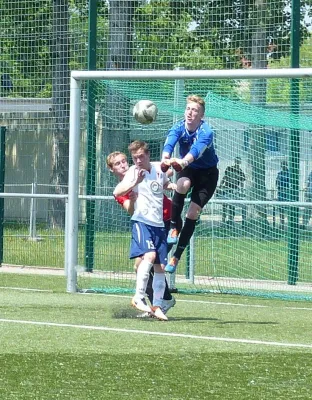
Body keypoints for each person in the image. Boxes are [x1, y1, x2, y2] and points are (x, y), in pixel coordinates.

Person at [106, 151, 176, 316]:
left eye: (124, 161)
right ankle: (155, 302)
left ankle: (159, 300)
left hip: (167, 220)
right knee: (143, 264)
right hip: (149, 224)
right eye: (117, 164)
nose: (123, 165)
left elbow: (164, 170)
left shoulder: (138, 170)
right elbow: (131, 210)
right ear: (111, 169)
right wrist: (134, 197)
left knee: (153, 262)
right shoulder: (124, 188)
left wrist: (167, 169)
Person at [160, 94, 219, 273]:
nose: (190, 113)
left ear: (201, 116)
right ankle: (173, 227)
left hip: (207, 174)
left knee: (193, 213)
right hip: (189, 170)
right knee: (182, 184)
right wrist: (165, 159)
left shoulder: (206, 132)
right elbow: (170, 143)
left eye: (195, 110)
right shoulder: (179, 126)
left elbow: (195, 151)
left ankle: (176, 256)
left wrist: (182, 162)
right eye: (188, 109)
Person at [219, 157, 246, 225]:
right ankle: (223, 221)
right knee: (225, 205)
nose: (237, 162)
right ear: (234, 161)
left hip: (234, 189)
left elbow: (242, 182)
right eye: (236, 160)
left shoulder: (241, 172)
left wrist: (242, 190)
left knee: (232, 205)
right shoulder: (229, 168)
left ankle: (231, 220)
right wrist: (220, 186)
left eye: (238, 161)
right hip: (227, 188)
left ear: (240, 162)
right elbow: (225, 177)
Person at [275, 160, 290, 227]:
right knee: (281, 208)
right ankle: (282, 224)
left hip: (287, 192)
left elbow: (291, 183)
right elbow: (276, 182)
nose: (283, 166)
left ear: (286, 165)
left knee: (289, 208)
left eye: (284, 164)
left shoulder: (289, 173)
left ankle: (290, 223)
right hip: (280, 192)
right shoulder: (279, 173)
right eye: (282, 164)